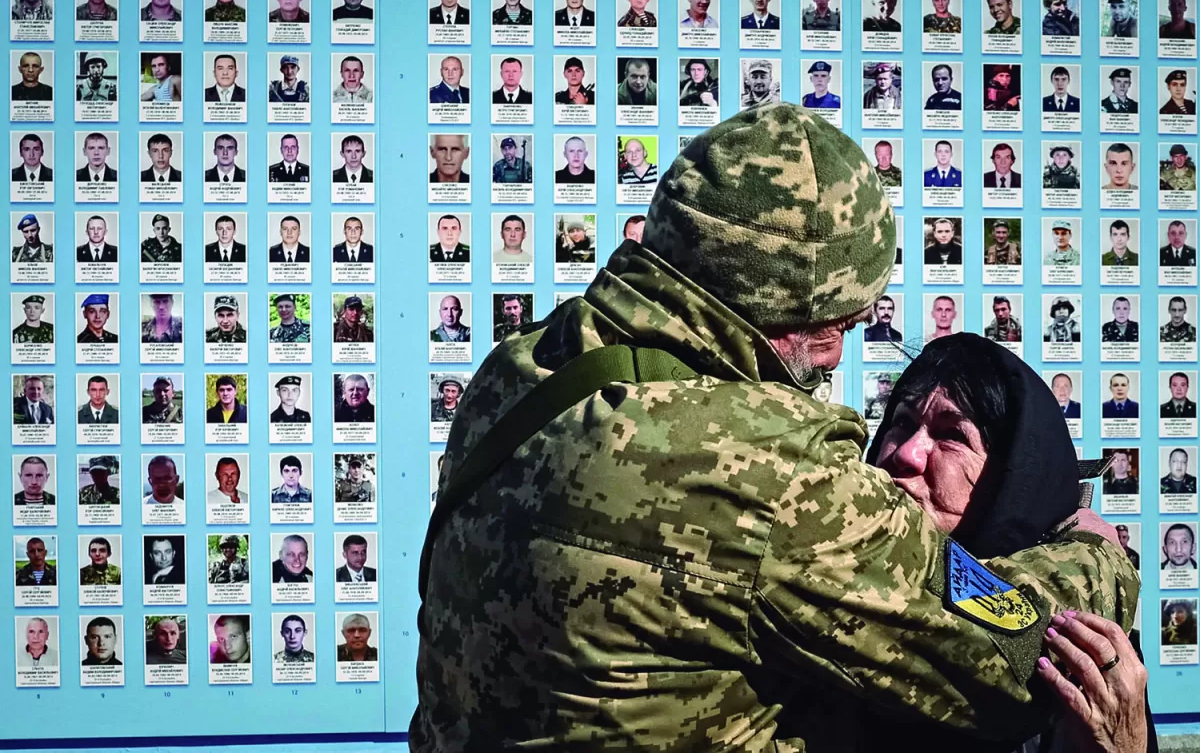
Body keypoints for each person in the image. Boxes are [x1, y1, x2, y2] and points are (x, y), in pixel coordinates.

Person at [412, 105, 1141, 752]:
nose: (840, 354)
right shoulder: (769, 467)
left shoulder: (517, 375)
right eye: (842, 324)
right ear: (790, 305)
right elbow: (1006, 665)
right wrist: (1095, 556)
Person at [864, 334, 1150, 753]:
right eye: (903, 422)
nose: (907, 453)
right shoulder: (842, 576)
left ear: (1010, 479)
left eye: (951, 435)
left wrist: (1125, 743)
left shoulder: (1087, 642)